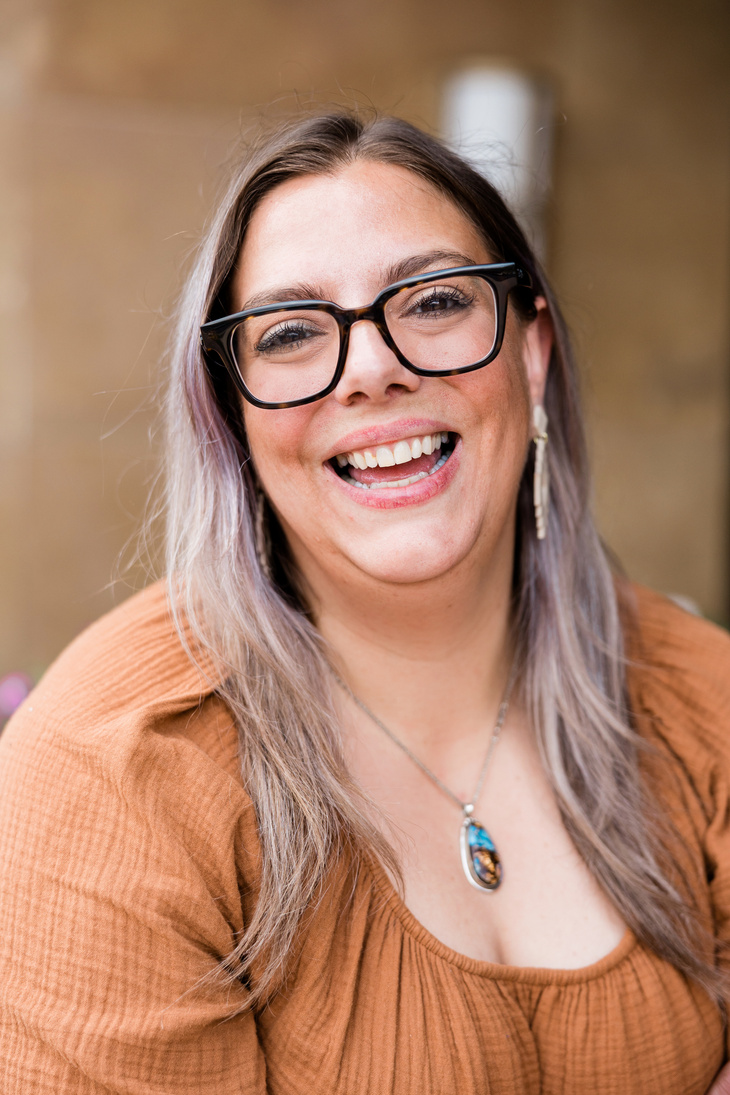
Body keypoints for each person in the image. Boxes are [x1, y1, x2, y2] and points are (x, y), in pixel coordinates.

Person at [0, 111, 729, 1095]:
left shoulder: (701, 700)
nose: (374, 367)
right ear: (232, 410)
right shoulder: (115, 769)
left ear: (530, 350)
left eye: (432, 301)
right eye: (292, 332)